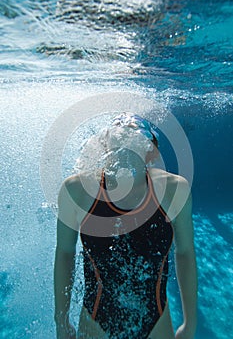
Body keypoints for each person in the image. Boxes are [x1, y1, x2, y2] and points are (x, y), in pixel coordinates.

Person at [54, 112, 197, 339]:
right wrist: (60, 320)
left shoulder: (173, 190)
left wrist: (191, 321)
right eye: (119, 139)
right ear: (103, 146)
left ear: (149, 150)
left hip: (156, 322)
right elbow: (64, 253)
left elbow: (186, 253)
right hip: (95, 322)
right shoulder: (77, 190)